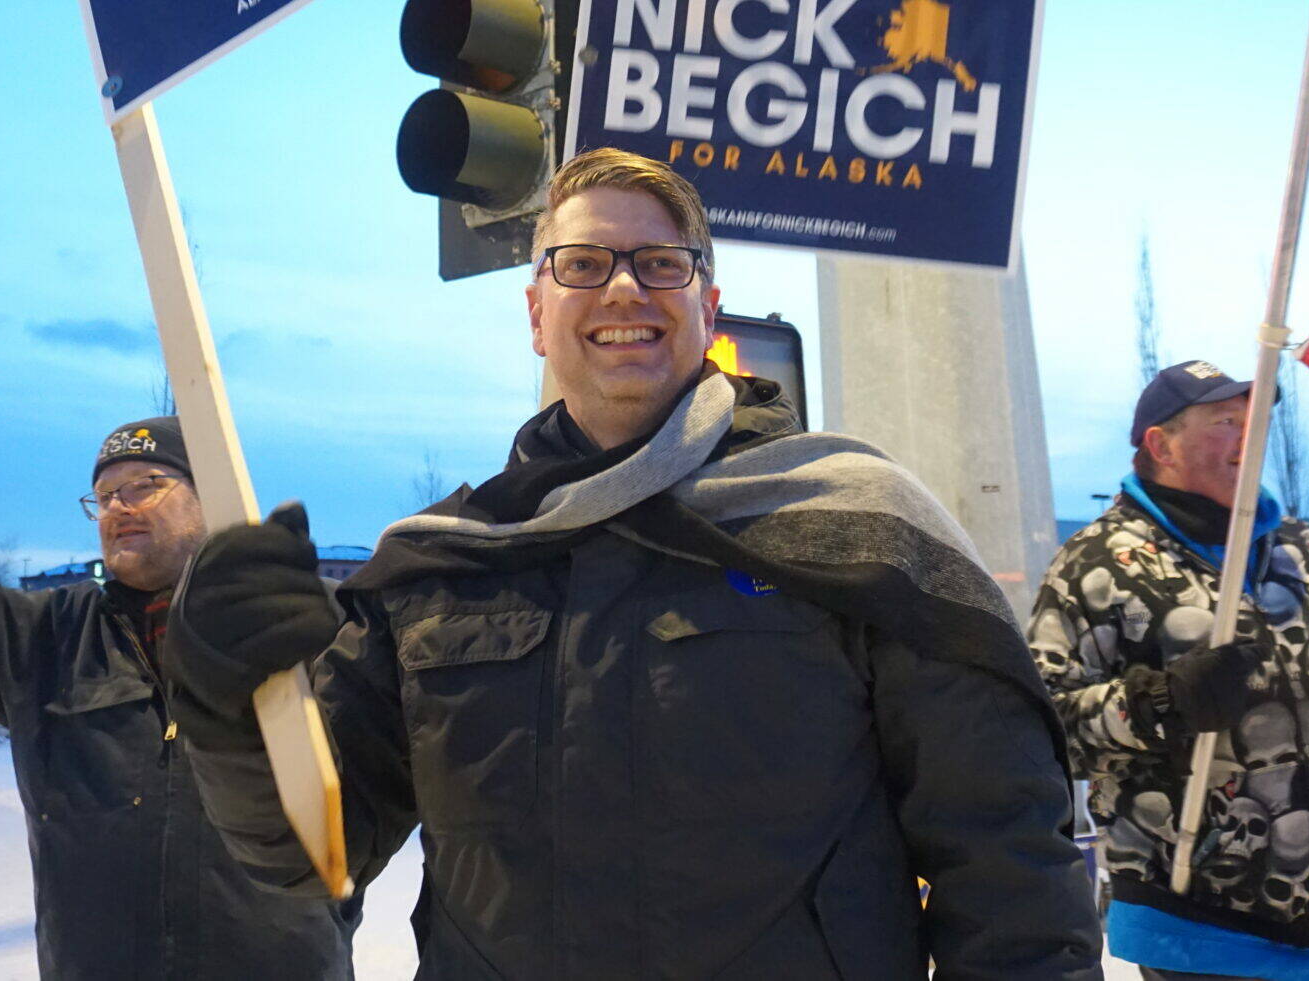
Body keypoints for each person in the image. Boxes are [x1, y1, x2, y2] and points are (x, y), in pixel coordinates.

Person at [162, 148, 1105, 979]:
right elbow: (312, 844)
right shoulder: (439, 567)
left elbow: (1009, 859)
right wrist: (225, 701)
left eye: (660, 263)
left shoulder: (857, 526)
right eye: (583, 265)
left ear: (708, 304)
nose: (623, 289)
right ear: (538, 313)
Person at [0, 286, 354, 981]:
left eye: (146, 483)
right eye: (105, 494)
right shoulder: (46, 640)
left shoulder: (299, 627)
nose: (118, 506)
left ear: (212, 497)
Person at [1027, 361, 1309, 981]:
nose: (1248, 437)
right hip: (1201, 926)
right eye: (1226, 421)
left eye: (1255, 421)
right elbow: (1039, 730)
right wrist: (1154, 706)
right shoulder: (1097, 564)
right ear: (1160, 444)